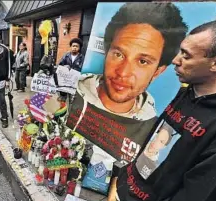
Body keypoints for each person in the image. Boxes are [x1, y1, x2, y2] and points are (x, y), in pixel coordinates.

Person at [116, 18, 216, 201]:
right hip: (128, 198)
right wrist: (125, 177)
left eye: (186, 55)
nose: (175, 59)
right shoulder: (188, 90)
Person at [67, 3, 187, 163]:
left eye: (143, 61)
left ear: (158, 71)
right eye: (118, 54)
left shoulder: (151, 129)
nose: (123, 73)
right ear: (106, 52)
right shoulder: (74, 93)